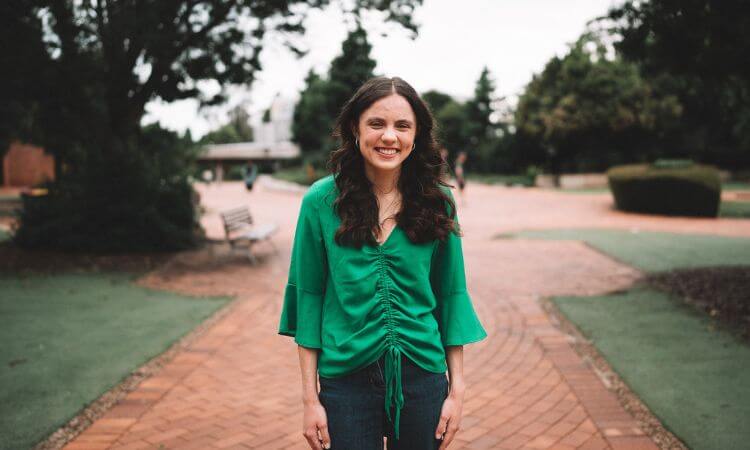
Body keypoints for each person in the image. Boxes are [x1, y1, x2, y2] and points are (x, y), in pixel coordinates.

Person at [278, 77, 487, 450]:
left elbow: (450, 295)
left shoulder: (438, 201)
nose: (389, 136)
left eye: (402, 126)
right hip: (346, 384)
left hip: (423, 378)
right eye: (377, 123)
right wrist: (310, 400)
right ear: (355, 128)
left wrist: (457, 390)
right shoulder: (321, 202)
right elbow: (309, 299)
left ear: (416, 134)